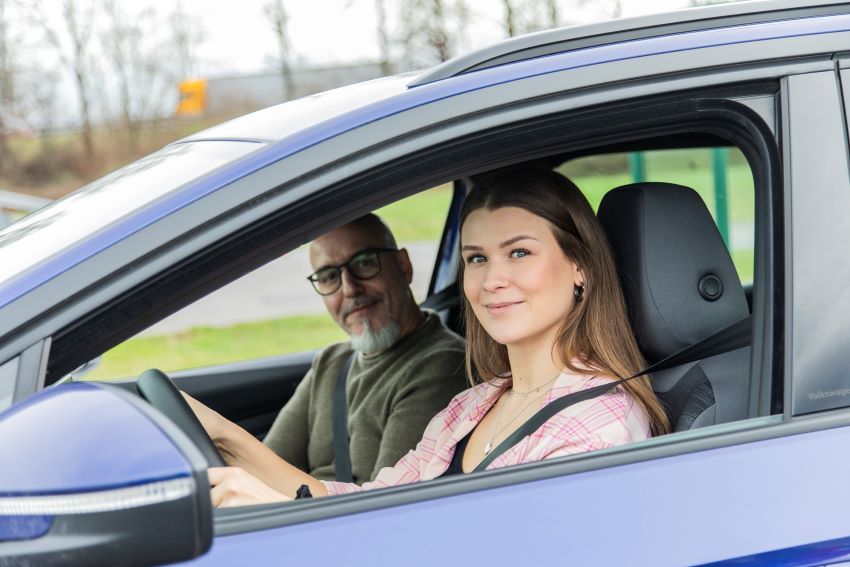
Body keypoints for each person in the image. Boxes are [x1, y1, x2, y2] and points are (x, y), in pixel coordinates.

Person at [188, 167, 670, 507]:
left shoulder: (595, 428)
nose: (492, 280)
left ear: (580, 265)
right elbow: (378, 505)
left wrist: (276, 510)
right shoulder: (475, 405)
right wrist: (223, 435)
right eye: (477, 258)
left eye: (519, 252)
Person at [260, 214, 468, 483]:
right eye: (328, 276)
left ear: (403, 266)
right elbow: (264, 466)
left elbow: (384, 505)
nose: (349, 288)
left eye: (365, 263)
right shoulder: (331, 361)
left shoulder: (442, 365)